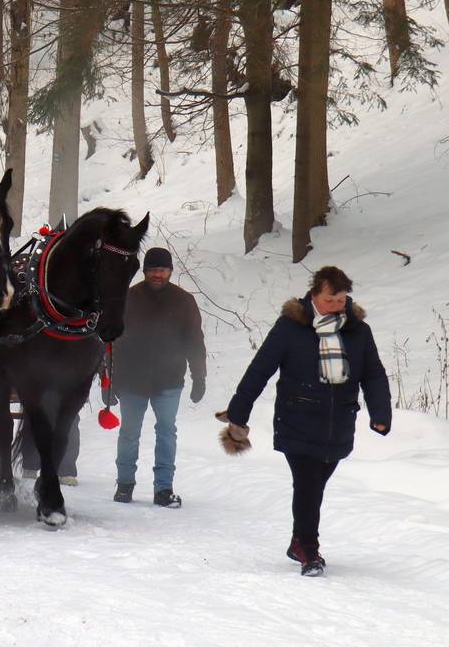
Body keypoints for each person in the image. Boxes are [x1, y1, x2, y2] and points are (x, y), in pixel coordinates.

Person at [220, 266, 390, 577]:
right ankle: (308, 549)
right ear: (314, 295)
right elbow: (260, 369)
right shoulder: (290, 327)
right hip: (297, 418)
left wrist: (380, 413)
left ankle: (299, 538)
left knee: (314, 486)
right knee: (309, 483)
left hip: (338, 423)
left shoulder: (358, 331)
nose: (337, 305)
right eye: (330, 300)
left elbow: (373, 373)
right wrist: (239, 412)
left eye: (341, 300)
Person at [111, 247, 206, 508]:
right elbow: (112, 341)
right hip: (132, 379)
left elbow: (195, 341)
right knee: (129, 432)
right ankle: (124, 485)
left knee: (166, 432)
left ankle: (163, 488)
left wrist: (199, 376)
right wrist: (110, 380)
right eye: (153, 270)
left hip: (169, 379)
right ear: (145, 272)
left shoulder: (184, 301)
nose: (157, 274)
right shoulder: (128, 299)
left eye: (162, 270)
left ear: (170, 272)